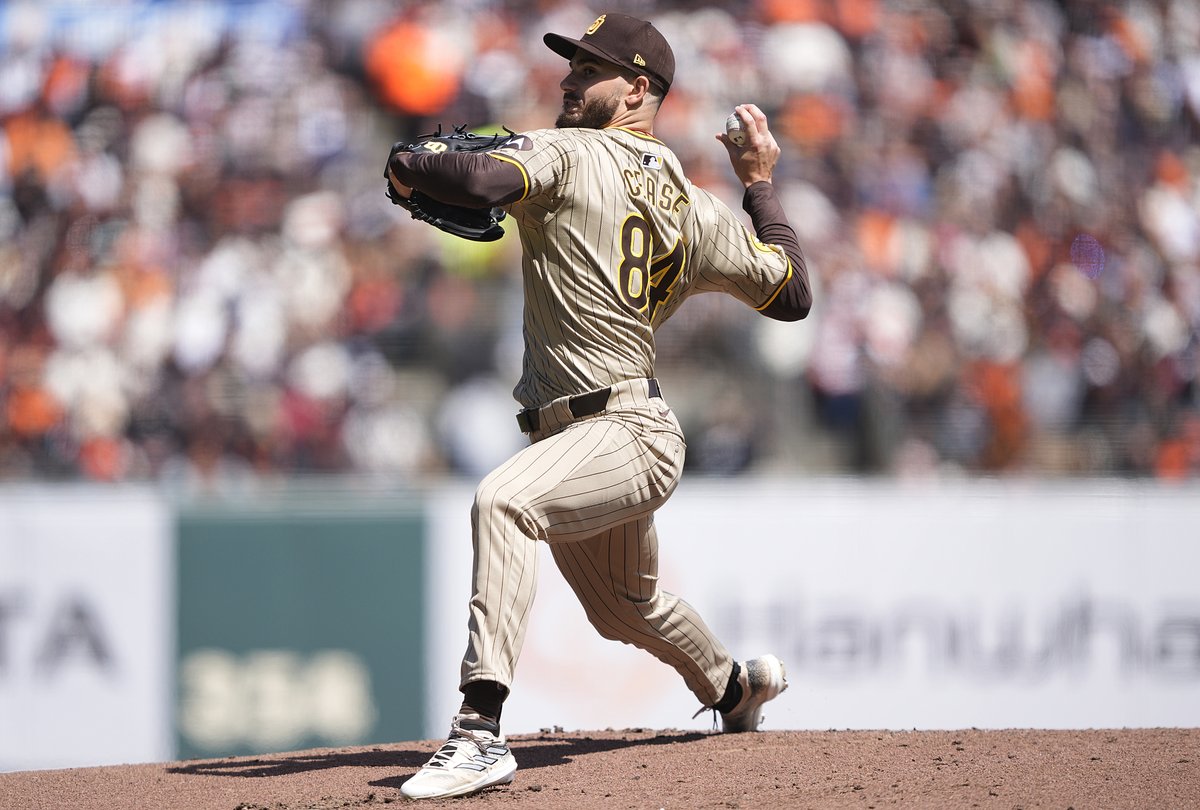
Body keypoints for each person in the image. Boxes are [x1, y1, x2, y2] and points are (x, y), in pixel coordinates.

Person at [386, 12, 813, 800]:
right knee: (625, 607)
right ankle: (734, 689)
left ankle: (479, 732)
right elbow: (793, 293)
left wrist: (410, 160)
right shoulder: (696, 203)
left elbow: (480, 180)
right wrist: (759, 184)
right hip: (616, 432)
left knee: (503, 501)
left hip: (622, 428)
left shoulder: (571, 149)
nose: (568, 80)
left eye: (588, 70)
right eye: (572, 66)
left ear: (637, 90)